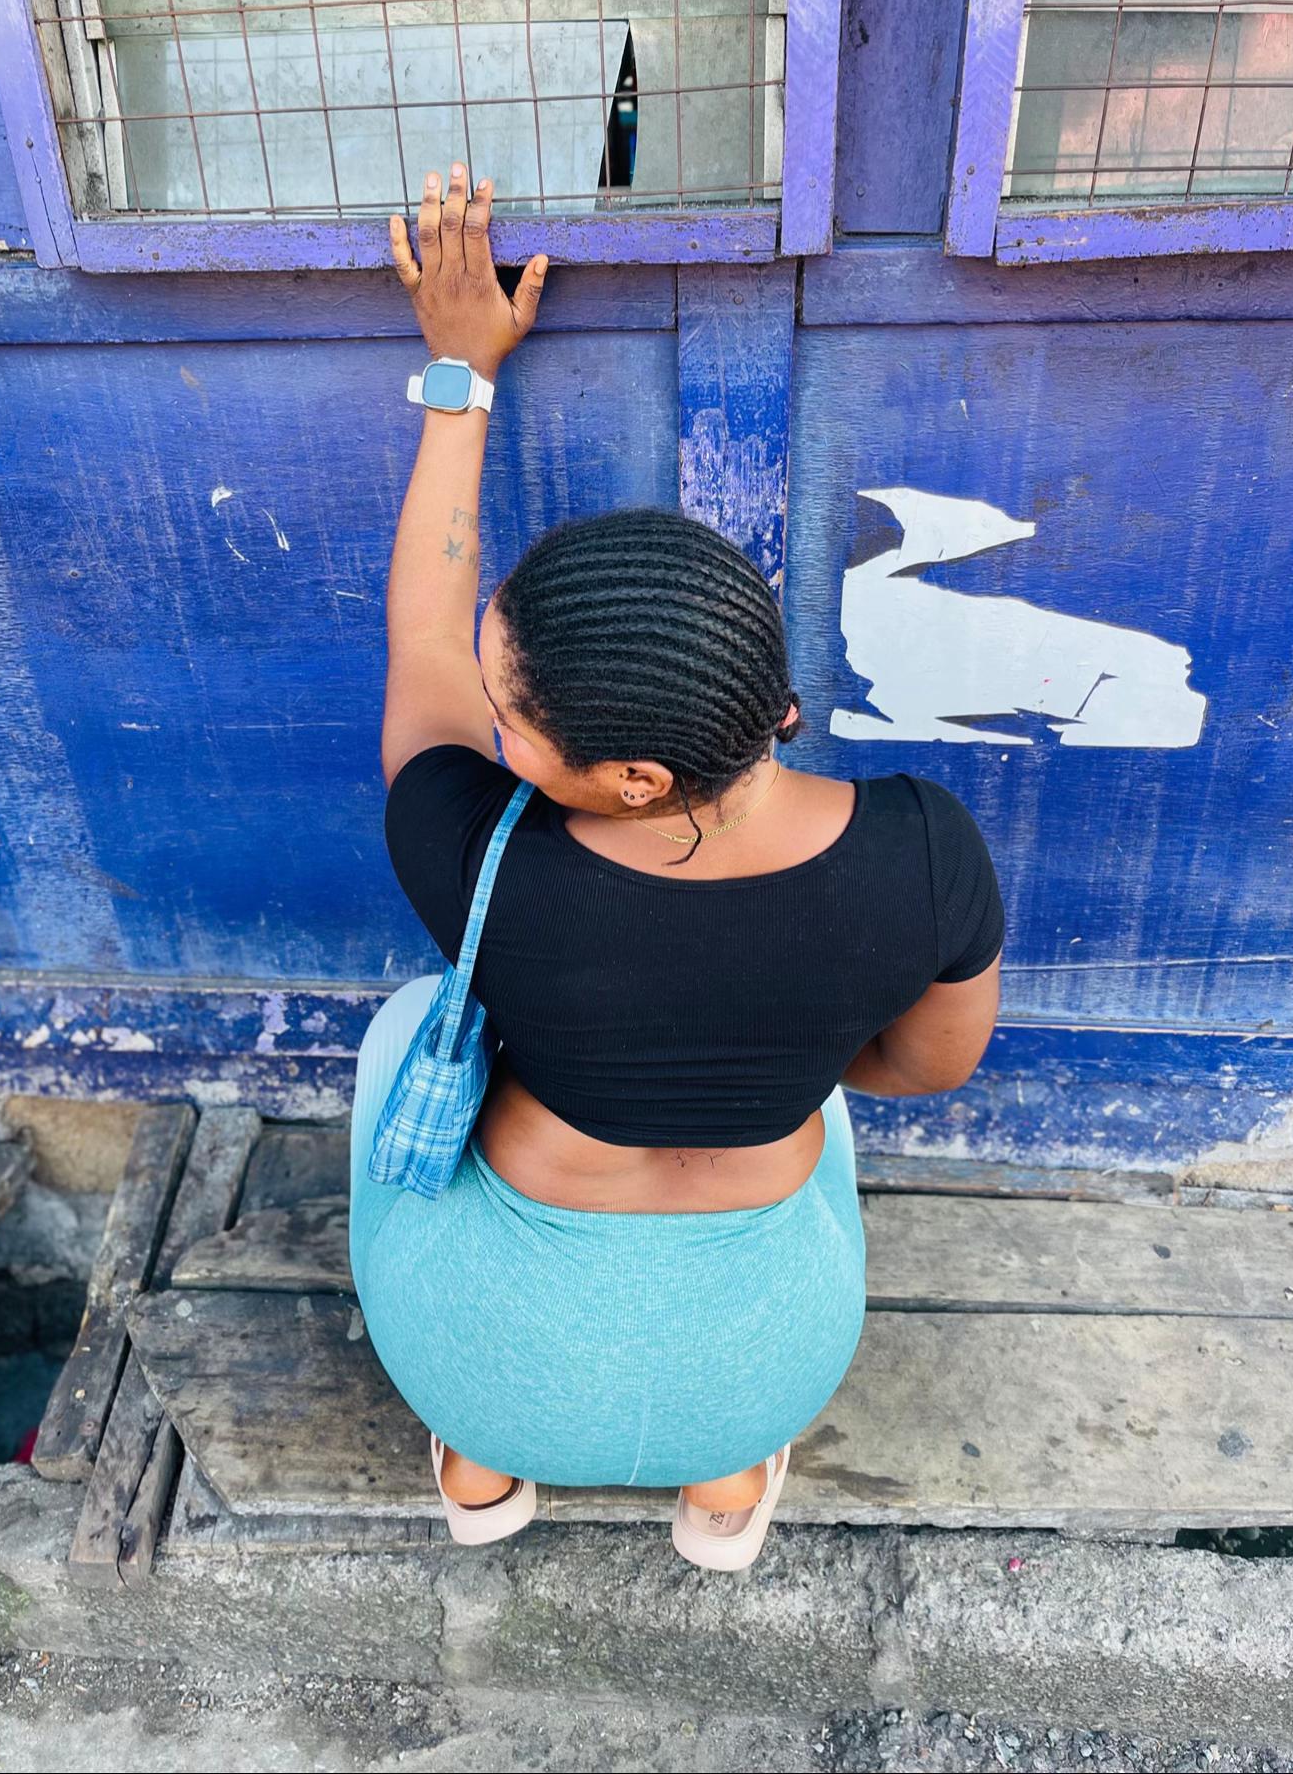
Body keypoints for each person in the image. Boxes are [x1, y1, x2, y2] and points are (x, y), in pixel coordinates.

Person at [348, 164, 1004, 1570]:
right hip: (768, 1367)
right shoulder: (927, 850)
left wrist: (460, 376)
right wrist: (768, 1048)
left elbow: (421, 641)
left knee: (408, 1026)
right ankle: (722, 1484)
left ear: (638, 778)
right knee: (826, 1118)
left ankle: (483, 1465)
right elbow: (924, 1069)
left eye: (512, 719)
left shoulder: (477, 855)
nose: (491, 730)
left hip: (478, 1356)